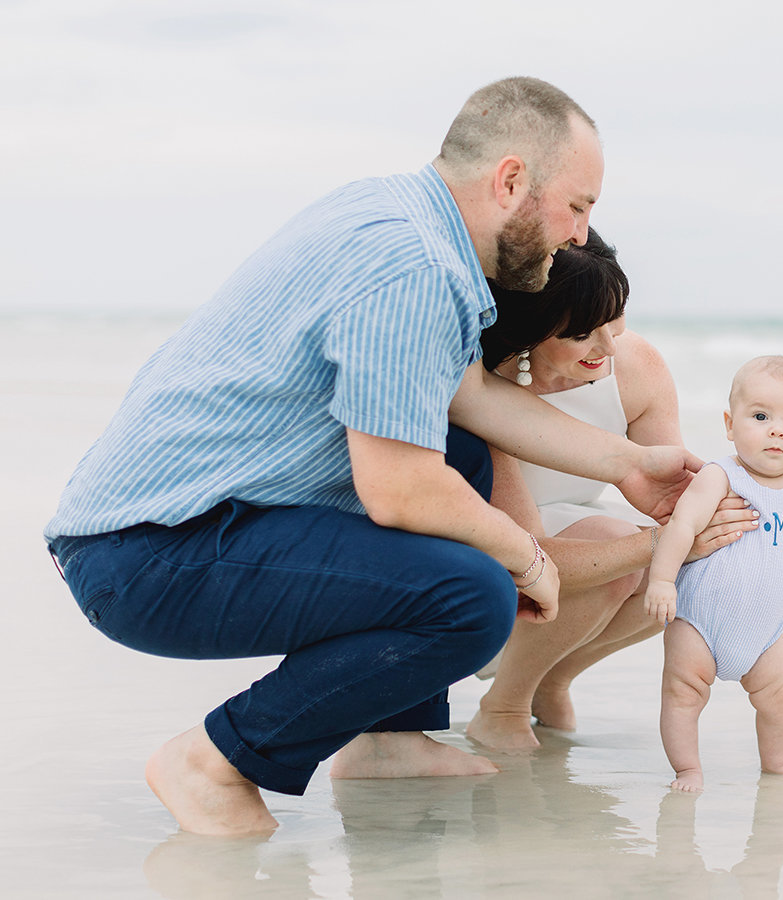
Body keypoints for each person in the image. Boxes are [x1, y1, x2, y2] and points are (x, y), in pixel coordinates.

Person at [43, 76, 700, 836]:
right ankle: (215, 759)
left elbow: (472, 401)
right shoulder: (413, 267)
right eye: (578, 205)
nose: (582, 234)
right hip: (147, 555)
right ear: (511, 180)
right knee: (472, 597)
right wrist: (527, 555)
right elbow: (397, 490)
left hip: (162, 531)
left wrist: (625, 464)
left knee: (459, 454)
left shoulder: (399, 216)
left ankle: (387, 741)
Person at [466, 229, 772, 750]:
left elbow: (675, 496)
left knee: (692, 562)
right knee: (622, 552)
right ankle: (502, 707)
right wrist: (652, 545)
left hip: (573, 524)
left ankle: (552, 677)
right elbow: (527, 553)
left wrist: (764, 496)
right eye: (585, 331)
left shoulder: (634, 366)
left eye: (615, 320)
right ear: (533, 327)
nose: (608, 347)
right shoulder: (485, 388)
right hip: (495, 545)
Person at [643, 356, 783, 792]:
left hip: (765, 632)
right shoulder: (721, 477)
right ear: (730, 425)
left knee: (778, 698)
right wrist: (661, 580)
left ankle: (776, 765)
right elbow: (682, 526)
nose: (777, 429)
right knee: (683, 694)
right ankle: (688, 769)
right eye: (760, 416)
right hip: (700, 621)